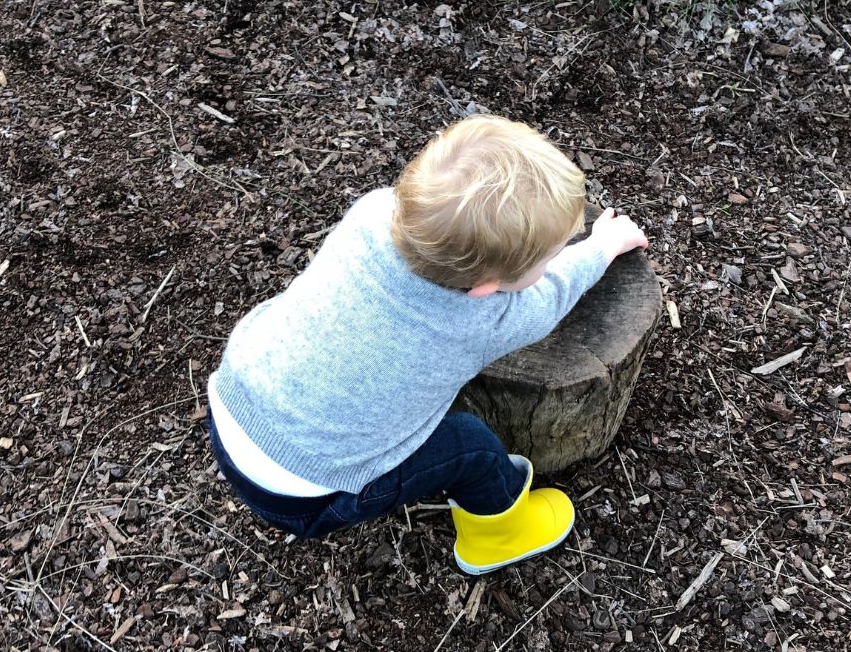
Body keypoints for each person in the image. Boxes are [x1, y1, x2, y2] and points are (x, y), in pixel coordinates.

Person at [207, 114, 648, 575]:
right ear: (484, 286)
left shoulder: (373, 212)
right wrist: (602, 247)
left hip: (233, 401)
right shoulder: (487, 319)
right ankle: (500, 534)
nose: (554, 259)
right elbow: (554, 292)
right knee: (471, 447)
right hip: (307, 498)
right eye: (545, 257)